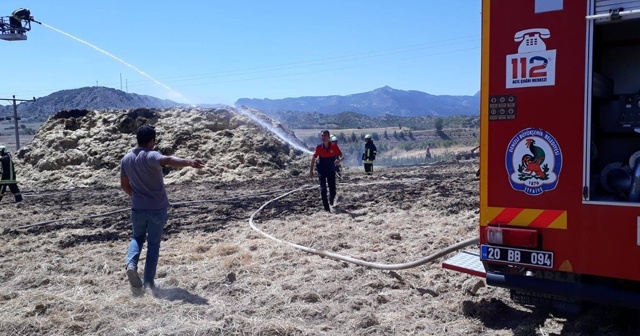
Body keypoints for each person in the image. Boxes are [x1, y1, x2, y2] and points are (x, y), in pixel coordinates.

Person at [120, 125, 205, 290]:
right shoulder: (152, 155)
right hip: (157, 208)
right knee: (153, 244)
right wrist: (189, 162)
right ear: (152, 141)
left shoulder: (126, 159)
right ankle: (149, 283)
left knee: (137, 238)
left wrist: (136, 197)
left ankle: (131, 264)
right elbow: (168, 160)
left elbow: (124, 185)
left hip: (137, 208)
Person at [310, 130, 343, 212]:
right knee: (323, 189)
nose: (323, 137)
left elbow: (341, 156)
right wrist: (311, 171)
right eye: (322, 136)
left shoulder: (334, 146)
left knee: (333, 191)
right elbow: (314, 158)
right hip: (322, 170)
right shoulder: (319, 147)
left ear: (328, 137)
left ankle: (331, 200)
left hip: (331, 170)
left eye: (325, 136)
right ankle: (326, 209)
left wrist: (339, 160)